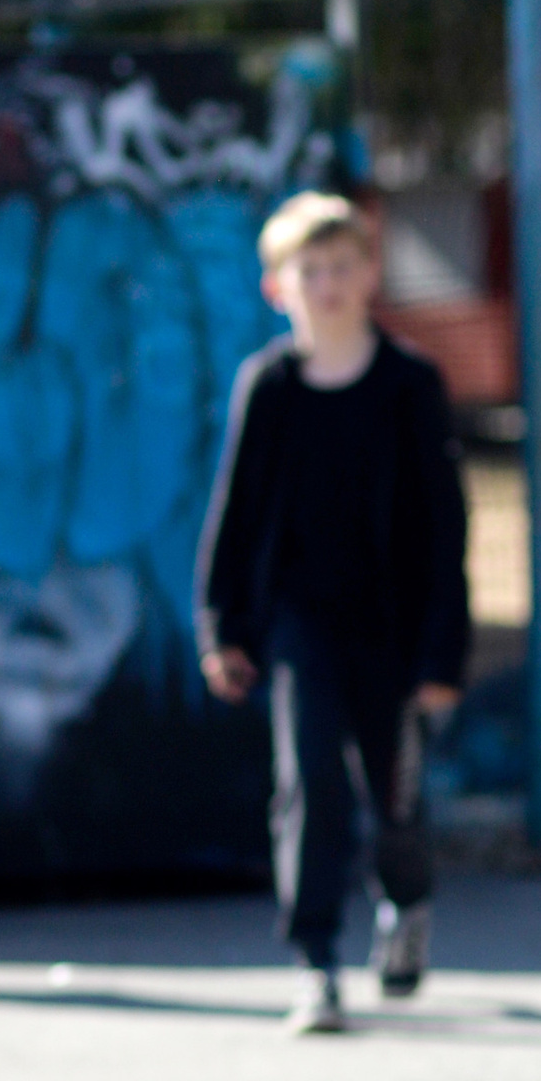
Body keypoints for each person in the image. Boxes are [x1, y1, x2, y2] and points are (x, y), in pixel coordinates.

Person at [197, 188, 470, 1035]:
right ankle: (315, 963)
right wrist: (222, 628)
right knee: (309, 785)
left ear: (371, 275)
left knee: (395, 798)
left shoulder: (409, 385)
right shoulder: (269, 386)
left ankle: (406, 902)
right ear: (277, 286)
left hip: (393, 628)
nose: (328, 284)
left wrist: (443, 656)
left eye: (343, 267)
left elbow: (445, 529)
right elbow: (236, 516)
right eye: (309, 270)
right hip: (299, 625)